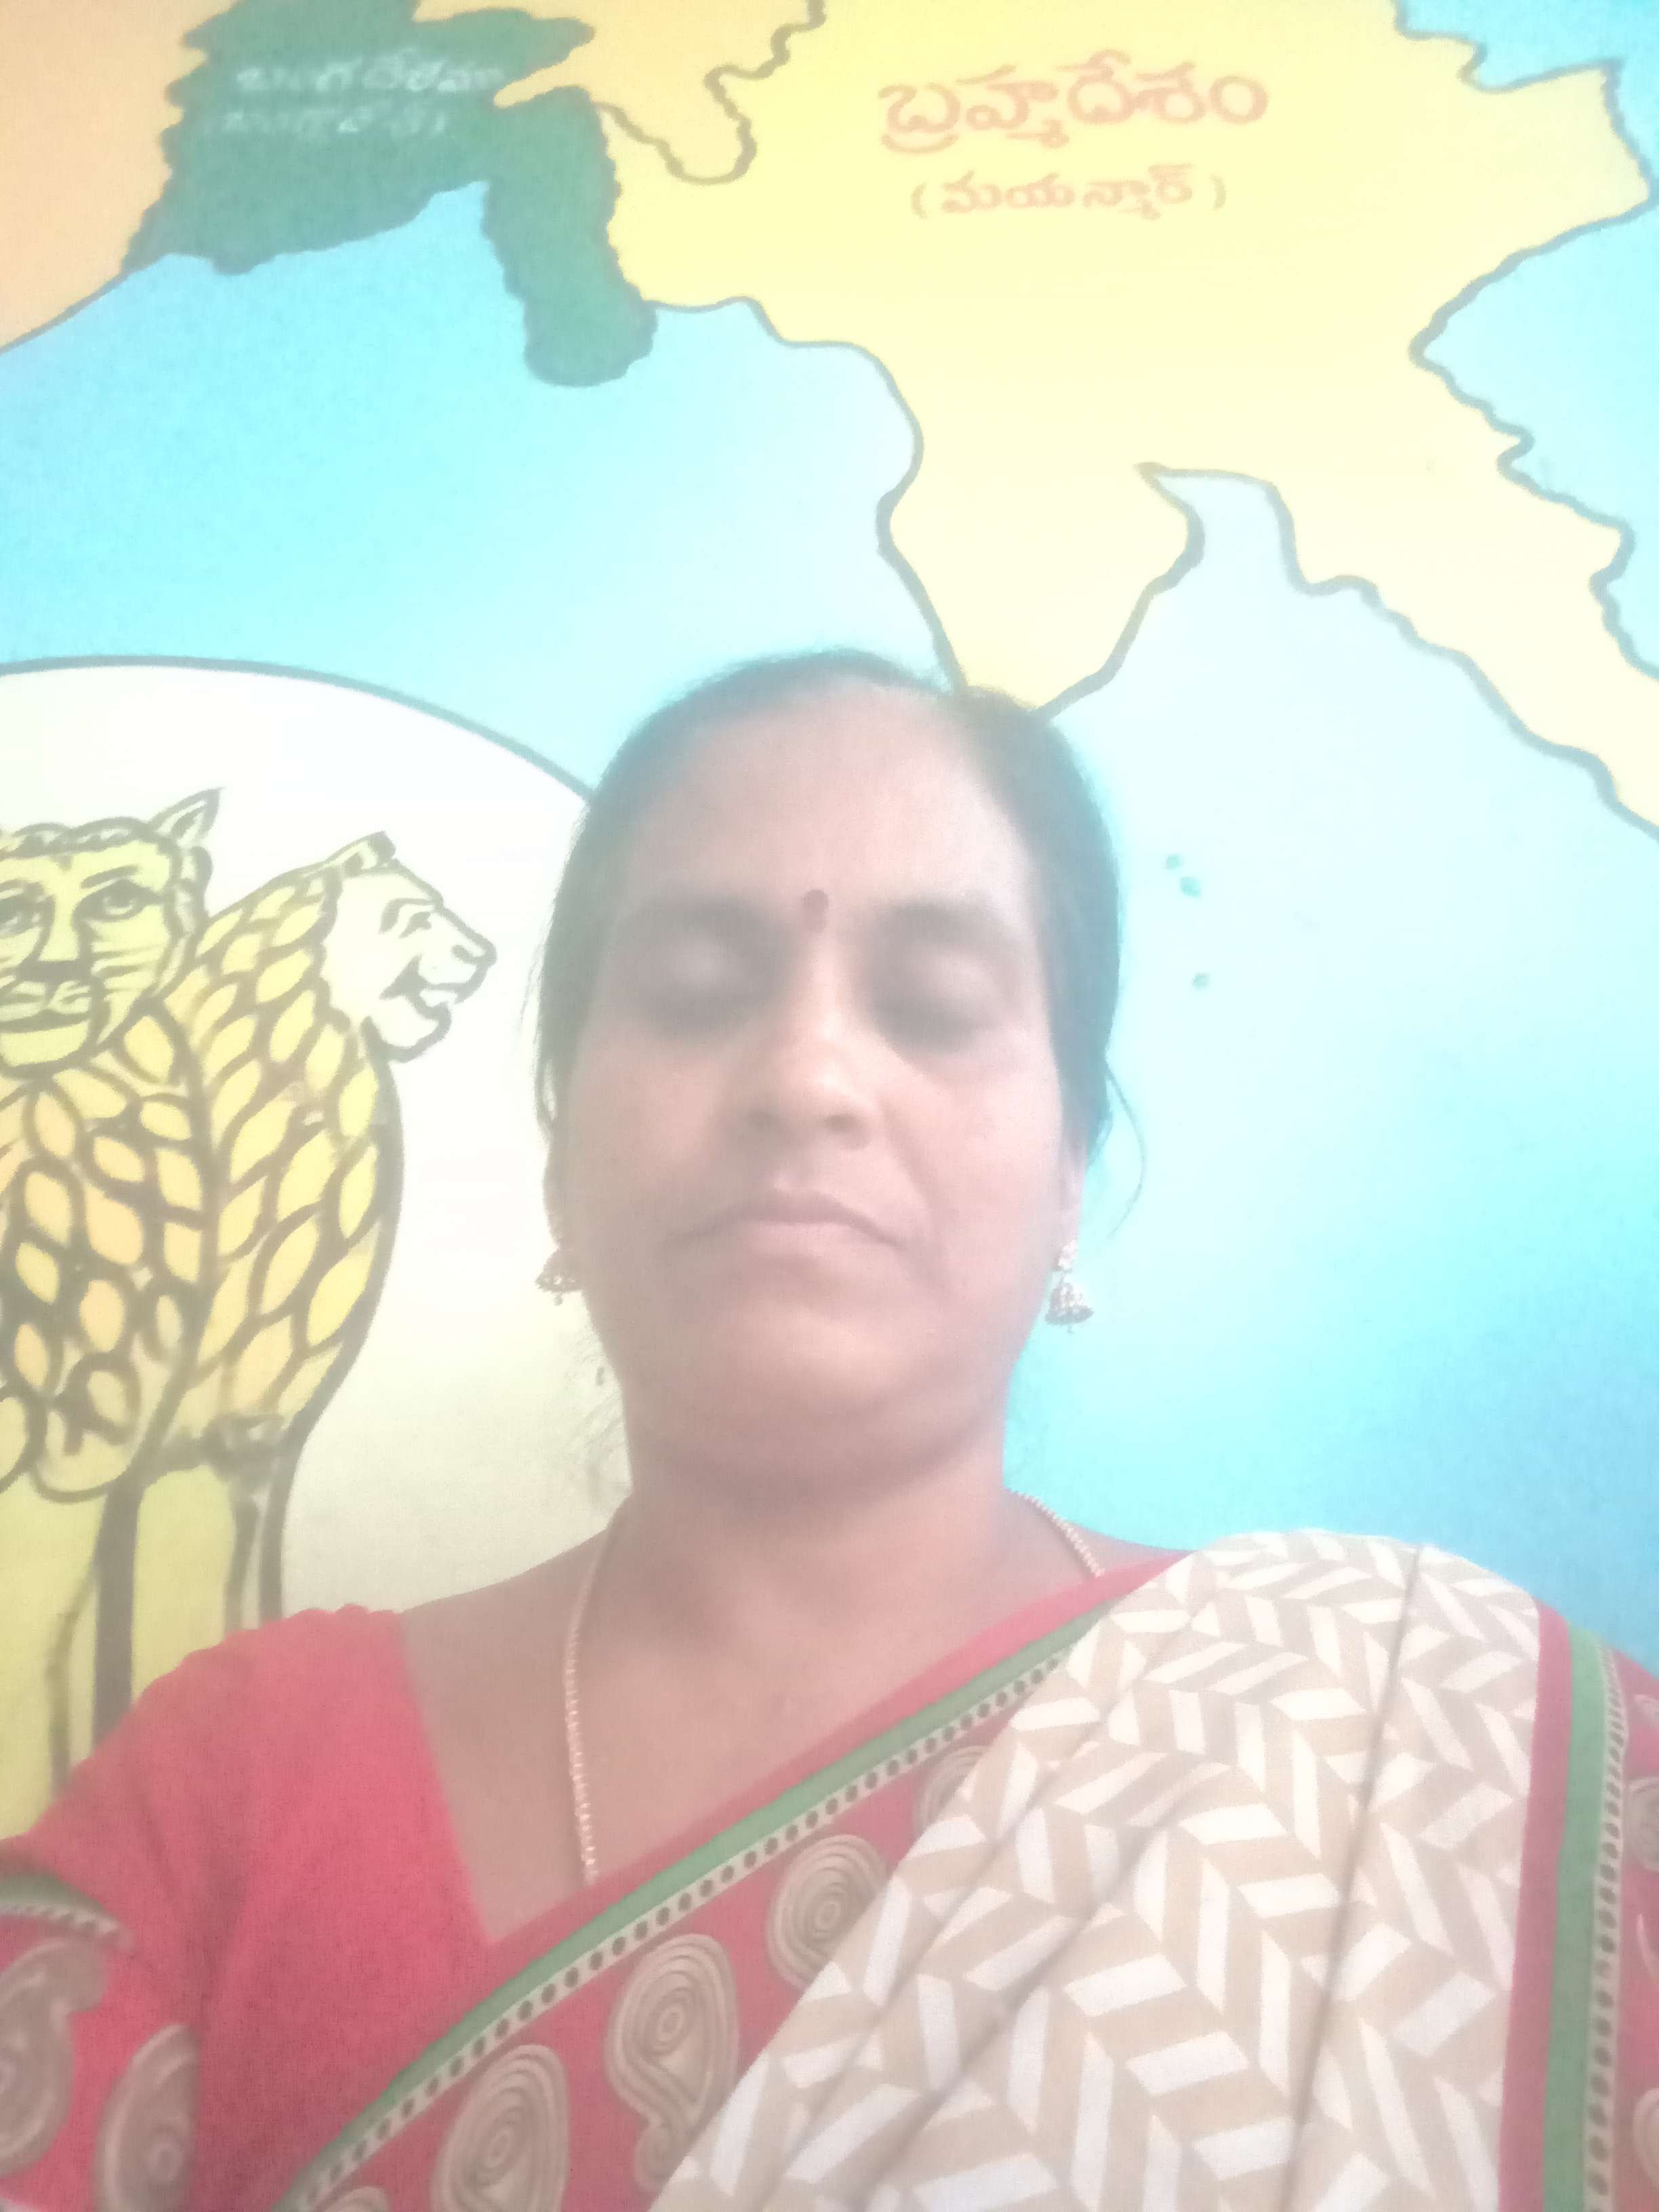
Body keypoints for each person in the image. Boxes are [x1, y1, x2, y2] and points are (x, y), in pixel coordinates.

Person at [1, 650, 1654, 2212]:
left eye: (929, 1007)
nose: (805, 1075)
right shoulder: (237, 1786)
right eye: (694, 994)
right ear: (562, 1152)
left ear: (1068, 1172)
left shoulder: (1398, 1747)